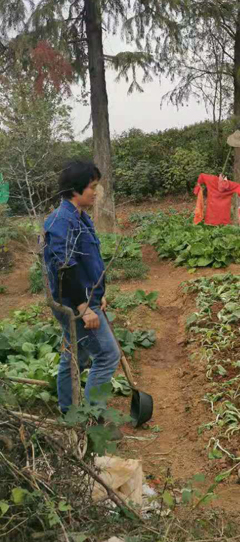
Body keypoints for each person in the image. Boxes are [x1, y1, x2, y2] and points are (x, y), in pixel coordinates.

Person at [43, 160, 122, 436]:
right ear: (75, 190)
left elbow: (90, 261)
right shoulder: (60, 222)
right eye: (92, 187)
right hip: (75, 305)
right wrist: (83, 307)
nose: (96, 192)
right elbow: (65, 270)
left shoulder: (80, 216)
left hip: (88, 299)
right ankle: (92, 419)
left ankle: (69, 413)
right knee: (108, 356)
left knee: (74, 355)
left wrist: (99, 293)